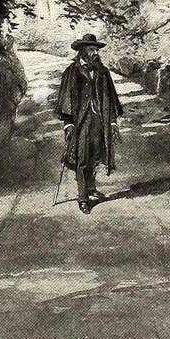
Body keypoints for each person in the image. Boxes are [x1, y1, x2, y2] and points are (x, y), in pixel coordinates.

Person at [54, 33, 124, 214]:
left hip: (99, 121)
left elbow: (111, 98)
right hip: (81, 122)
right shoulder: (72, 72)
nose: (95, 53)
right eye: (91, 50)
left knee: (95, 156)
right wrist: (68, 124)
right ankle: (83, 198)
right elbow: (66, 100)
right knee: (82, 159)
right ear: (83, 51)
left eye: (96, 50)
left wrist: (113, 121)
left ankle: (91, 188)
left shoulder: (103, 72)